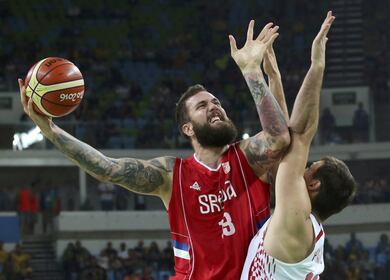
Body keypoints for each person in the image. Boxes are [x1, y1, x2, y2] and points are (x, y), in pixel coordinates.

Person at [19, 21, 290, 279]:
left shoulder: (247, 158)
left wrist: (257, 73)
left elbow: (279, 138)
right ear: (188, 129)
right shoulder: (172, 174)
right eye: (202, 106)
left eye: (216, 101)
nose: (214, 106)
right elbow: (107, 168)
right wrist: (51, 131)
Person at [242, 12, 357, 279]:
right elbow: (285, 143)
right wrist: (275, 79)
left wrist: (317, 65)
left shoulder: (296, 221)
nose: (302, 167)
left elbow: (301, 133)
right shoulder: (299, 223)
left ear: (314, 184)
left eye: (310, 167)